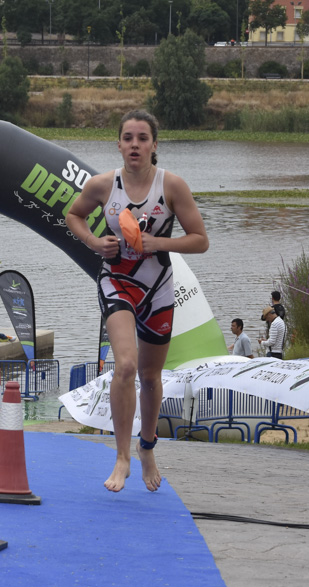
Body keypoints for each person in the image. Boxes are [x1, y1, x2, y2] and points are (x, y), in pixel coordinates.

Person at [65, 109, 209, 493]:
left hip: (159, 286)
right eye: (128, 138)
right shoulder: (101, 185)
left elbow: (200, 240)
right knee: (126, 366)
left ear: (154, 145)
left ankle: (147, 447)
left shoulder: (172, 186)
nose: (134, 145)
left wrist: (156, 243)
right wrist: (95, 242)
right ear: (119, 144)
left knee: (149, 376)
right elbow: (73, 215)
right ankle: (122, 456)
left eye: (142, 138)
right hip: (117, 282)